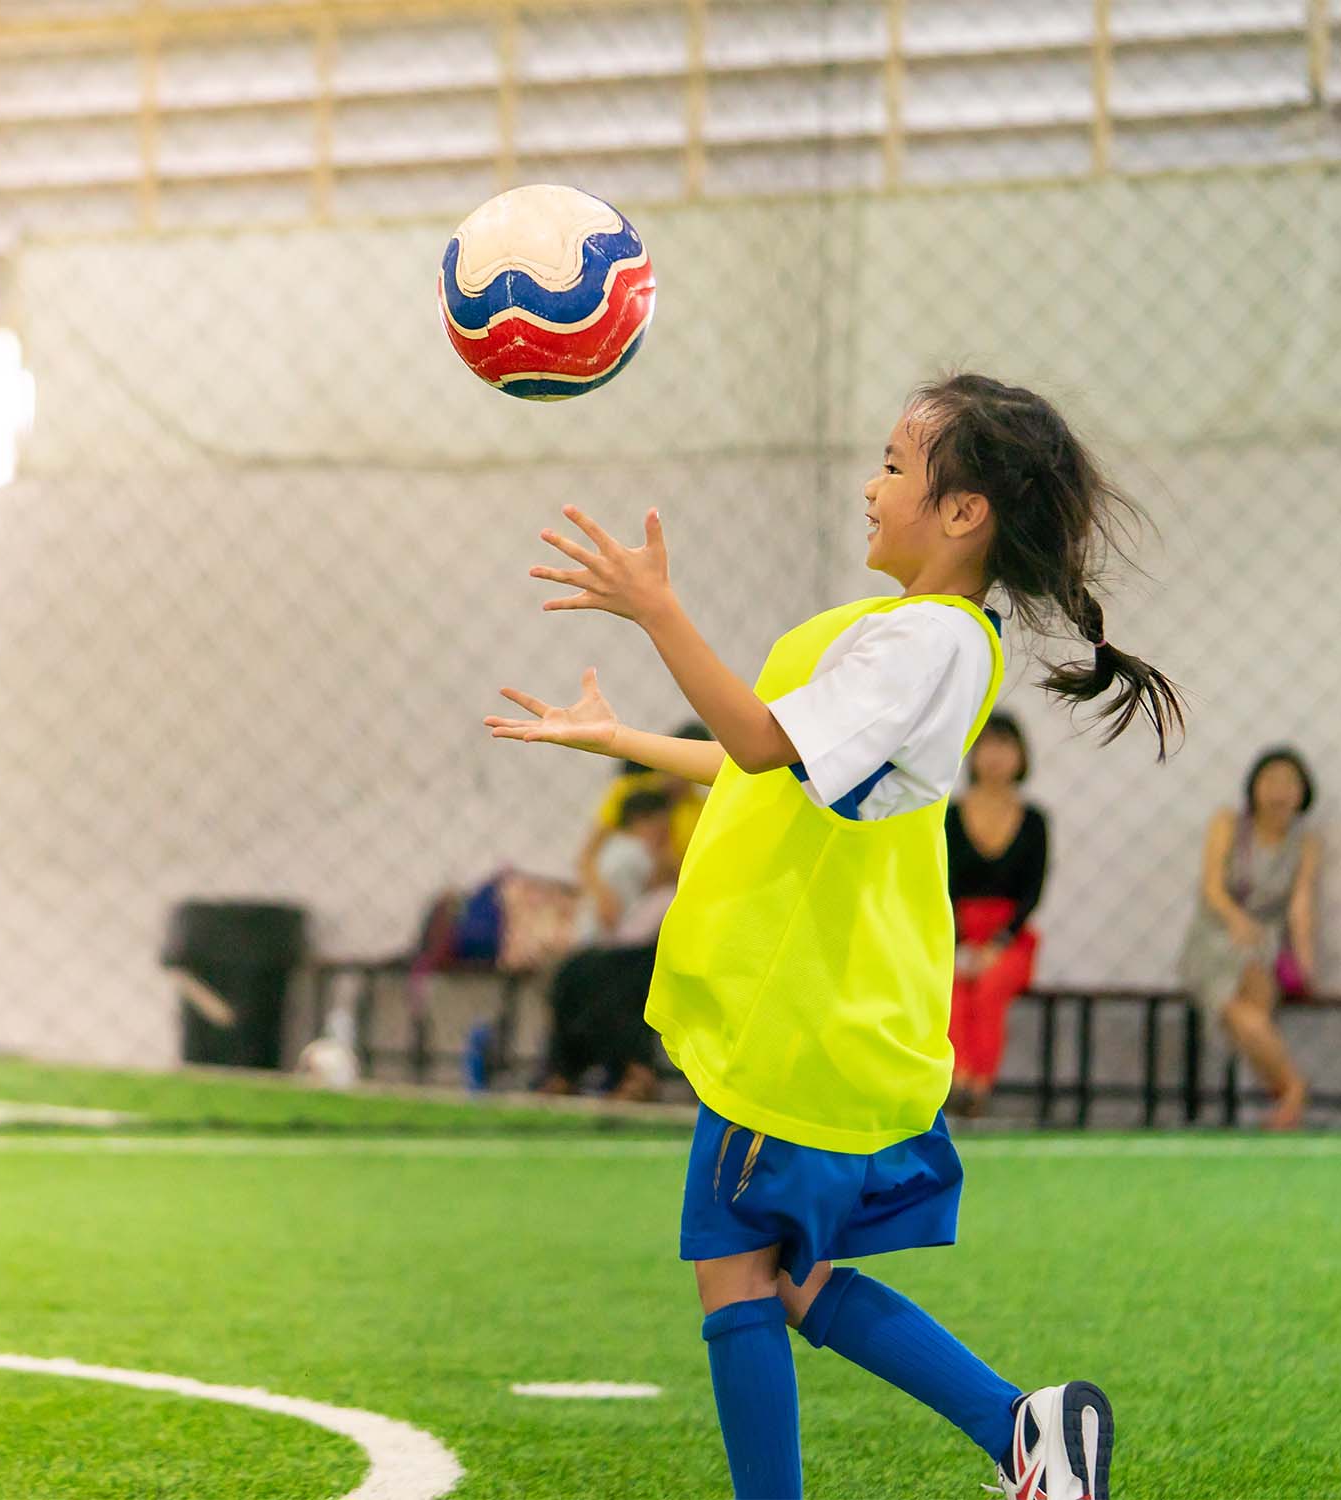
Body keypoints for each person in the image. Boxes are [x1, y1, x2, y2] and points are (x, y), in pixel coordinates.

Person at [485, 372, 1185, 1500]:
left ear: (964, 513)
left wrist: (658, 609)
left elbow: (764, 746)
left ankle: (1009, 1430)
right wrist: (620, 738)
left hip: (796, 1009)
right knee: (789, 1274)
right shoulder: (918, 637)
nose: (872, 486)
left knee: (733, 1270)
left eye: (898, 467)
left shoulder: (930, 642)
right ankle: (1024, 1430)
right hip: (815, 1006)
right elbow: (775, 770)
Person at [1179, 747, 1319, 1130]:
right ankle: (1293, 1088)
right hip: (1215, 938)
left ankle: (1282, 1099)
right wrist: (1235, 920)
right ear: (1254, 787)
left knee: (1251, 1014)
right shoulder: (1227, 823)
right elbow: (1210, 886)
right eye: (1271, 781)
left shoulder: (1305, 842)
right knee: (1238, 1012)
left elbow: (1300, 907)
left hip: (1265, 943)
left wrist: (1305, 961)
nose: (1279, 791)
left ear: (1304, 792)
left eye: (1290, 783)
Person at [540, 788, 678, 1101]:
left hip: (626, 950)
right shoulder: (633, 855)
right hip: (620, 947)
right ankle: (610, 1071)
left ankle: (573, 1071)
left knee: (596, 981)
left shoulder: (626, 855)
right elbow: (616, 916)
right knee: (596, 982)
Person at [945, 712, 1049, 1117]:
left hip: (1010, 937)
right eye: (986, 745)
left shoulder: (1035, 822)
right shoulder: (950, 816)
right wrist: (958, 943)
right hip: (955, 929)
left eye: (1005, 746)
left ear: (1020, 756)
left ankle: (978, 1084)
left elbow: (1032, 894)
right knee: (950, 983)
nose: (995, 756)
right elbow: (943, 883)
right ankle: (956, 1077)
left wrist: (997, 944)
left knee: (990, 985)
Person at [577, 720, 710, 934]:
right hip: (611, 890)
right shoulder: (629, 792)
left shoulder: (702, 813)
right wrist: (602, 896)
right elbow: (586, 857)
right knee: (627, 856)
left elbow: (686, 880)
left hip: (659, 902)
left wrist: (661, 852)